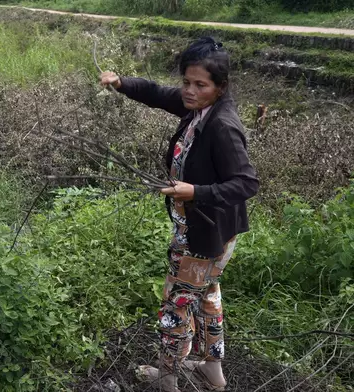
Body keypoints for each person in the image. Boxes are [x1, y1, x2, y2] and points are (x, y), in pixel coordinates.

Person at [100, 37, 259, 392]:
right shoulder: (198, 107)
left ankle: (168, 377)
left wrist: (195, 192)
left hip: (202, 236)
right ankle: (211, 369)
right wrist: (121, 82)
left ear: (221, 87)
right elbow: (159, 93)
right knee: (207, 295)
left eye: (199, 85)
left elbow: (247, 183)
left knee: (177, 305)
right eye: (187, 81)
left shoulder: (221, 126)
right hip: (212, 232)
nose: (189, 90)